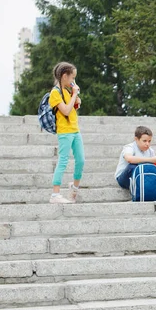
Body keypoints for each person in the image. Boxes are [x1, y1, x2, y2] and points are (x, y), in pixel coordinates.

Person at [49, 62, 84, 204]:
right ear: (64, 76)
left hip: (75, 130)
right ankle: (55, 194)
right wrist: (74, 93)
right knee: (63, 161)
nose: (73, 81)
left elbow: (72, 109)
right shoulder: (55, 93)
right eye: (72, 77)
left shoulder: (67, 91)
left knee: (81, 160)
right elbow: (65, 111)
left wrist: (76, 100)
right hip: (64, 132)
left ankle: (74, 188)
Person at [114, 126, 156, 200]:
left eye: (149, 141)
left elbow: (154, 168)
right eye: (144, 141)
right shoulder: (129, 147)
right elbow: (129, 159)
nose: (147, 144)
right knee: (133, 166)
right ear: (136, 139)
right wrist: (151, 160)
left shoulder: (150, 151)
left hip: (144, 177)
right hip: (125, 179)